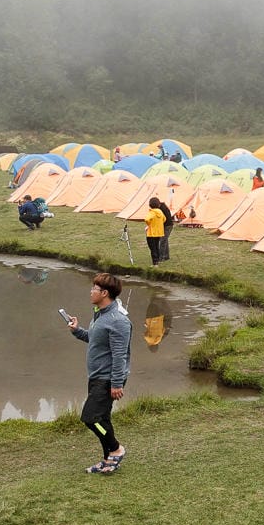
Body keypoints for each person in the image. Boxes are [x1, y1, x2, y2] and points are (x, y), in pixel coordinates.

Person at [65, 272, 132, 475]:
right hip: (96, 376)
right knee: (103, 418)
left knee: (91, 419)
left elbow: (120, 355)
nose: (91, 291)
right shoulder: (100, 315)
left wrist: (117, 383)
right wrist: (77, 330)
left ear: (104, 293)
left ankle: (115, 448)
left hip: (107, 379)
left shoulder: (118, 321)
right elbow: (95, 340)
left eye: (94, 288)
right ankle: (107, 460)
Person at [145, 197, 166, 266]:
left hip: (151, 234)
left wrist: (149, 225)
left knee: (152, 248)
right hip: (158, 233)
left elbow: (147, 219)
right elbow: (164, 219)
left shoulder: (151, 212)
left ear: (150, 204)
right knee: (156, 246)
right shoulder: (160, 212)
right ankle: (157, 261)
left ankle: (155, 263)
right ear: (158, 204)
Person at [157, 197, 175, 262]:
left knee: (162, 241)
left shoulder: (162, 209)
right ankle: (166, 256)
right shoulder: (160, 207)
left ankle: (160, 258)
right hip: (165, 226)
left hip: (168, 226)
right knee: (164, 240)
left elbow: (161, 219)